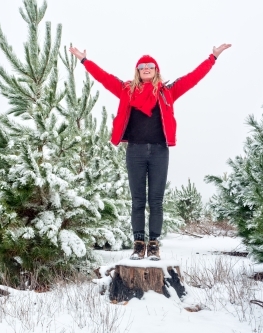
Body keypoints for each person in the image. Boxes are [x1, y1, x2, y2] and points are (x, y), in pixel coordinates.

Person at [69, 44, 231, 260]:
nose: (146, 68)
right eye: (142, 66)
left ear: (156, 70)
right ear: (137, 70)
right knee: (137, 200)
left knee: (156, 200)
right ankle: (138, 245)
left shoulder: (167, 92)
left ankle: (153, 245)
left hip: (159, 152)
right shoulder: (126, 90)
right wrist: (84, 60)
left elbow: (193, 78)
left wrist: (213, 57)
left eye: (150, 65)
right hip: (134, 151)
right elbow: (104, 77)